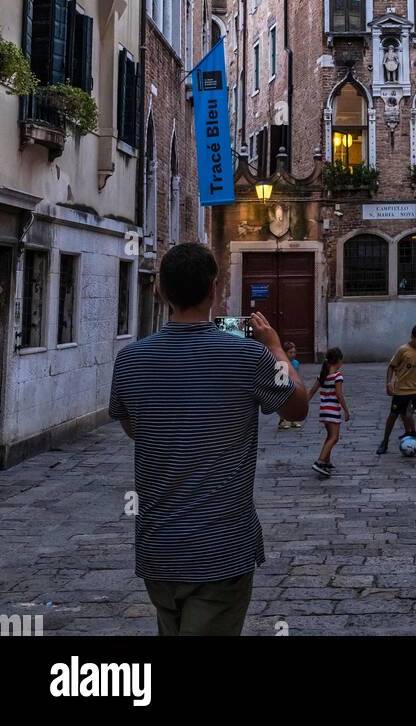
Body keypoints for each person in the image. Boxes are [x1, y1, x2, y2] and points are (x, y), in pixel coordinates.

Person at [109, 242, 308, 637]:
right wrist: (274, 348)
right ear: (215, 290)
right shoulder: (248, 356)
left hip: (159, 550)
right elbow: (298, 407)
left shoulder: (129, 361)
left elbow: (133, 428)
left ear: (161, 291)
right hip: (220, 550)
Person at [376, 323, 416, 457]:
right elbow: (391, 367)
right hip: (401, 390)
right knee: (393, 415)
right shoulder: (402, 350)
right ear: (412, 337)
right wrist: (389, 383)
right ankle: (385, 442)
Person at [308, 347, 350, 476]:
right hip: (332, 410)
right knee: (334, 437)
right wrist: (346, 411)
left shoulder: (322, 375)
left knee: (329, 436)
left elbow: (312, 391)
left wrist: (305, 403)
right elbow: (339, 394)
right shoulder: (337, 376)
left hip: (323, 410)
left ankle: (326, 461)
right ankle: (320, 461)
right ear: (338, 361)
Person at [277, 340, 303, 431]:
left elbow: (296, 374)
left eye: (294, 352)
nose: (293, 354)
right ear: (285, 353)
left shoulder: (296, 363)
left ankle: (293, 420)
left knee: (294, 404)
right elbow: (278, 378)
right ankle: (282, 421)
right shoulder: (281, 362)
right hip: (283, 386)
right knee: (284, 404)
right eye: (290, 352)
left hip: (293, 385)